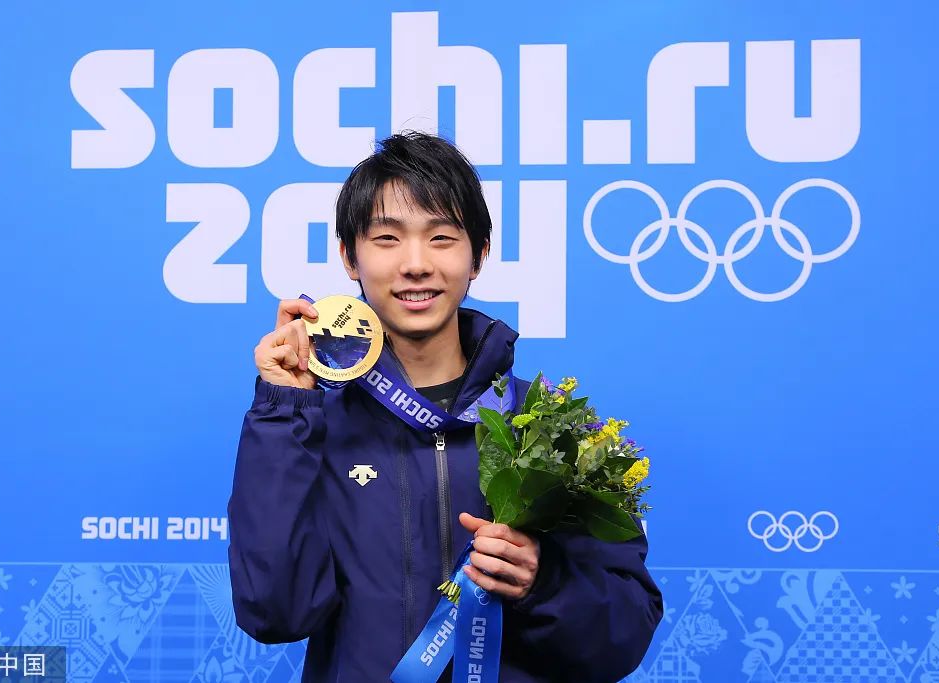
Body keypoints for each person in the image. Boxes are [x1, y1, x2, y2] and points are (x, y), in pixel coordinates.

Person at [227, 132, 662, 682]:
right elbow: (275, 613)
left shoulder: (550, 430)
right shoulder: (311, 426)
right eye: (387, 238)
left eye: (441, 238)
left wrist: (542, 582)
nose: (415, 264)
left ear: (479, 254)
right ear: (349, 256)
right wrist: (285, 410)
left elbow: (625, 635)